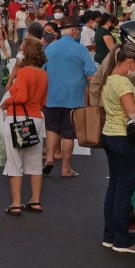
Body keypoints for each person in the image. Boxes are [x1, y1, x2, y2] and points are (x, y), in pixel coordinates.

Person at [98, 42, 135, 254]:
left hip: (109, 135)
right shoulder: (123, 83)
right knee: (124, 191)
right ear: (130, 62)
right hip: (125, 139)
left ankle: (109, 235)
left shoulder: (108, 80)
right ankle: (122, 240)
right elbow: (132, 113)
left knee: (115, 187)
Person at [0, 38, 48, 216]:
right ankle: (35, 201)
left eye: (21, 49)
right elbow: (43, 101)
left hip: (17, 118)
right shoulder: (43, 74)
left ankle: (16, 203)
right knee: (35, 162)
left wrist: (7, 102)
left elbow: (21, 97)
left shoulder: (24, 72)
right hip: (36, 118)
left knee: (14, 161)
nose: (18, 52)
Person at [43, 16, 96, 178]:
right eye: (78, 31)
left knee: (52, 128)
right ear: (73, 31)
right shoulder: (81, 50)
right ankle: (66, 168)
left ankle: (50, 157)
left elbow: (42, 69)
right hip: (73, 99)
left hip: (52, 96)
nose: (79, 33)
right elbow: (90, 76)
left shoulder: (50, 48)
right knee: (68, 134)